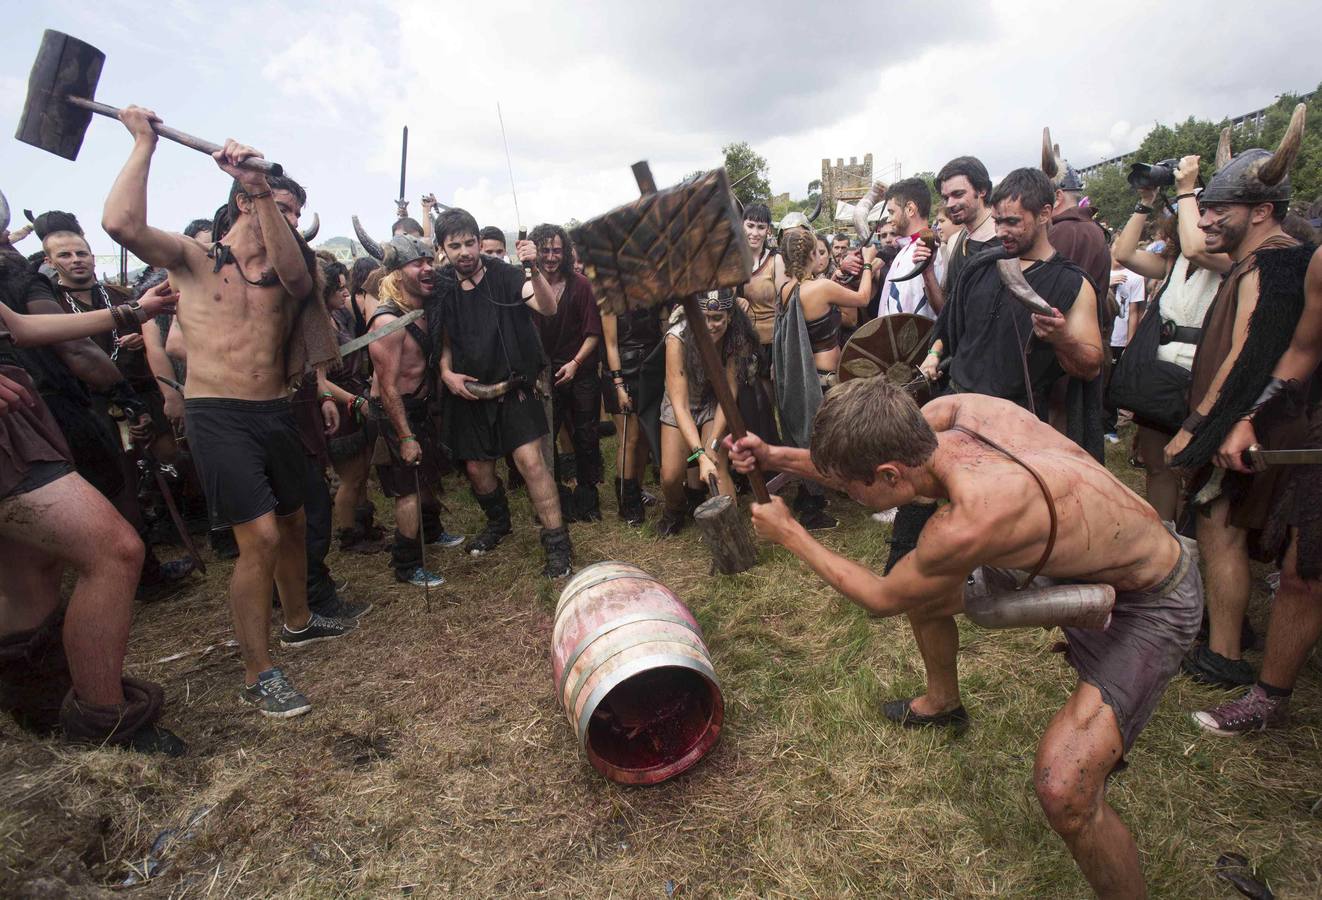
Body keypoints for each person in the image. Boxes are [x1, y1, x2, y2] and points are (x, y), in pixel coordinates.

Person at [730, 379, 1201, 898]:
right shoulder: (952, 413)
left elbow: (883, 597)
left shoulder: (968, 520)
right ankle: (942, 702)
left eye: (853, 489)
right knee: (929, 598)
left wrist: (792, 534)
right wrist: (776, 456)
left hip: (1155, 597)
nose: (849, 495)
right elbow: (864, 466)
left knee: (1064, 788)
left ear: (888, 475)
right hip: (1079, 554)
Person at [104, 105, 354, 719]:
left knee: (294, 521)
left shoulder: (291, 271)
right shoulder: (192, 259)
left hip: (275, 410)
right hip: (218, 414)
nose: (290, 221)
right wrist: (143, 142)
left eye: (292, 211)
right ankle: (258, 670)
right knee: (261, 536)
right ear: (241, 204)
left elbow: (299, 281)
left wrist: (262, 186)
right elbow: (120, 222)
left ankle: (297, 620)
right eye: (284, 209)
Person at [1162, 110, 1319, 702]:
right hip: (1247, 425)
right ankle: (1229, 629)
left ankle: (1224, 652)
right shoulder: (1253, 259)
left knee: (1221, 525)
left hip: (1257, 428)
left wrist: (1202, 427)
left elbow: (1251, 356)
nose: (1206, 219)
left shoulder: (1277, 263)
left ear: (1260, 211)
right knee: (1217, 525)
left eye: (1218, 209)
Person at [1, 265, 185, 754]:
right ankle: (107, 726)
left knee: (31, 572)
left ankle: (41, 712)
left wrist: (130, 311)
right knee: (115, 550)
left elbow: (20, 327)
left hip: (18, 413)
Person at [435, 208, 573, 577]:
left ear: (479, 243)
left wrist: (535, 271)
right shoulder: (444, 286)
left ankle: (557, 543)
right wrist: (446, 372)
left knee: (531, 463)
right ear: (443, 249)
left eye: (469, 243)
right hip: (470, 393)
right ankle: (499, 522)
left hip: (514, 388)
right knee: (479, 471)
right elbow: (445, 339)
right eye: (455, 245)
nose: (464, 251)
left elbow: (547, 305)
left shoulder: (505, 274)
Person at [1108, 159, 1229, 519]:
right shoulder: (1174, 262)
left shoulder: (1229, 259)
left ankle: (1192, 541)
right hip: (1161, 373)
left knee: (1191, 469)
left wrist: (1185, 189)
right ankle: (1166, 539)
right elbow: (1124, 253)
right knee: (1159, 465)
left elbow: (1196, 249)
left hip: (1202, 375)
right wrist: (1145, 202)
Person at [773, 227, 878, 529]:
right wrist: (868, 262)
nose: (822, 257)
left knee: (812, 439)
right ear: (810, 255)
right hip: (822, 378)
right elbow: (863, 297)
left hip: (805, 376)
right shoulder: (818, 289)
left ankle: (810, 498)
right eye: (819, 252)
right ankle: (813, 507)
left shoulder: (785, 288)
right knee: (823, 442)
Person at [365, 235, 453, 587]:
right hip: (394, 413)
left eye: (429, 260)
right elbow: (387, 388)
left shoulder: (424, 309)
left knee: (427, 477)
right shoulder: (387, 322)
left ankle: (431, 532)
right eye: (417, 263)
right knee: (408, 490)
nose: (427, 268)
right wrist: (404, 436)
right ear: (398, 274)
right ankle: (406, 564)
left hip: (418, 406)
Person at [656, 290, 756, 536]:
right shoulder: (676, 338)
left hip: (713, 401)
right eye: (705, 317)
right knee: (670, 476)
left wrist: (710, 446)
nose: (711, 325)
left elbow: (728, 393)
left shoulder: (736, 339)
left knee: (717, 464)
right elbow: (679, 404)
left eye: (718, 317)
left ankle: (731, 533)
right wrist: (698, 455)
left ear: (730, 316)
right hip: (681, 403)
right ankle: (675, 509)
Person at [531, 223, 604, 521]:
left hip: (581, 370)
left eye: (556, 250)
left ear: (566, 252)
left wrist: (575, 363)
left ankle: (588, 499)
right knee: (546, 439)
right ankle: (556, 498)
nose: (551, 256)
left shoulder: (581, 285)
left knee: (586, 435)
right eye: (545, 250)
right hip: (544, 375)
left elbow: (594, 333)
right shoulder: (527, 287)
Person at [601, 301, 662, 525]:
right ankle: (627, 503)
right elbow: (610, 344)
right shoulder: (609, 298)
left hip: (649, 370)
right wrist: (618, 384)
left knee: (644, 437)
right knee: (630, 438)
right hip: (622, 375)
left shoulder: (651, 293)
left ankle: (636, 489)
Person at [876, 178, 943, 319]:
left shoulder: (925, 249)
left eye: (891, 212)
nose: (888, 219)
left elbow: (925, 311)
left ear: (910, 209)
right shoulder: (906, 249)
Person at [935, 156, 998, 297]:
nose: (950, 204)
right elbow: (946, 309)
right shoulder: (954, 242)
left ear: (982, 190)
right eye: (946, 198)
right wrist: (927, 272)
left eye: (958, 194)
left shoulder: (1005, 241)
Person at [1103, 257, 1146, 441]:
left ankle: (1109, 426)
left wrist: (1131, 342)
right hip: (1100, 335)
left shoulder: (1135, 278)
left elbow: (1134, 311)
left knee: (1112, 383)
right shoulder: (1100, 269)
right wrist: (1107, 283)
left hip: (1119, 340)